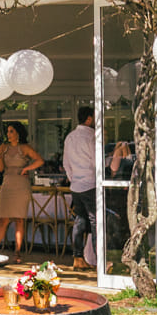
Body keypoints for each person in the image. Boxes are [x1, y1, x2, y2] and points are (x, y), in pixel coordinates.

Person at [0, 122, 45, 257]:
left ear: (18, 133)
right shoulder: (3, 147)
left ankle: (18, 251)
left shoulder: (25, 148)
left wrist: (26, 169)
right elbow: (0, 169)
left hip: (21, 185)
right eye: (8, 131)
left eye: (11, 131)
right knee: (2, 219)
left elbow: (40, 160)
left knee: (19, 219)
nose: (8, 134)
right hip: (7, 183)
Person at [64, 107, 97, 269]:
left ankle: (78, 258)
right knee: (95, 222)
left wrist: (74, 179)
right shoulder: (91, 137)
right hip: (91, 183)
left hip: (76, 185)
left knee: (79, 221)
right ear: (89, 119)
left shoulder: (70, 137)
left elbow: (66, 163)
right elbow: (95, 161)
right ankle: (99, 259)